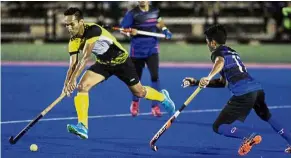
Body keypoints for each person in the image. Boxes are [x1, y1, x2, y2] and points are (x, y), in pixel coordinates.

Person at [62, 7, 175, 139]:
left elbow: (86, 58)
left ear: (81, 22)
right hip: (104, 64)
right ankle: (83, 126)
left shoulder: (93, 30)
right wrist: (67, 83)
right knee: (82, 87)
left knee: (139, 92)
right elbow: (73, 64)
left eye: (71, 24)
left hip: (121, 61)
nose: (68, 28)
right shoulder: (73, 41)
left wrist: (73, 79)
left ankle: (163, 98)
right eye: (66, 25)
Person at [181, 24, 291, 155]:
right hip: (257, 89)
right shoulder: (232, 51)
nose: (207, 45)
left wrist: (209, 76)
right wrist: (196, 82)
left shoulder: (217, 53)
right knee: (267, 116)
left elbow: (220, 62)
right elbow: (222, 83)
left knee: (218, 126)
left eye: (207, 42)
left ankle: (248, 136)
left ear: (213, 43)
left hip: (243, 93)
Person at [120, 1, 172, 117]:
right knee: (136, 79)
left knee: (155, 76)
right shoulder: (132, 14)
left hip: (152, 49)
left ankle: (155, 105)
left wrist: (165, 29)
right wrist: (130, 32)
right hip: (137, 51)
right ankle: (135, 102)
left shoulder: (155, 11)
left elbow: (159, 21)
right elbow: (123, 29)